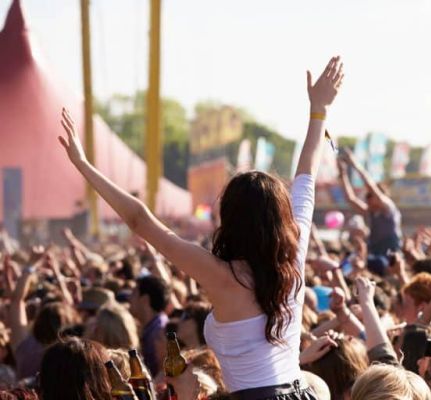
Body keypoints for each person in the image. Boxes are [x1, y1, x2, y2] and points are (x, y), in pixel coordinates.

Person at [57, 55, 345, 398]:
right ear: (280, 218)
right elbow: (306, 177)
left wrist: (84, 165)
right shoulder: (292, 257)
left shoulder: (222, 274)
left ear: (230, 219)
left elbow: (140, 220)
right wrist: (318, 112)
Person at [337, 147, 403, 275]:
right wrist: (342, 174)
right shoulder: (370, 212)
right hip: (375, 253)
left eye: (370, 197)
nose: (367, 201)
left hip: (389, 256)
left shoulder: (388, 208)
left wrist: (354, 163)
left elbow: (371, 186)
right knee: (347, 262)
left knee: (375, 263)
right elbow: (350, 199)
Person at [129, 275, 170, 375]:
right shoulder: (154, 327)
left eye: (134, 293)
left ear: (145, 300)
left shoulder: (159, 333)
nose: (129, 298)